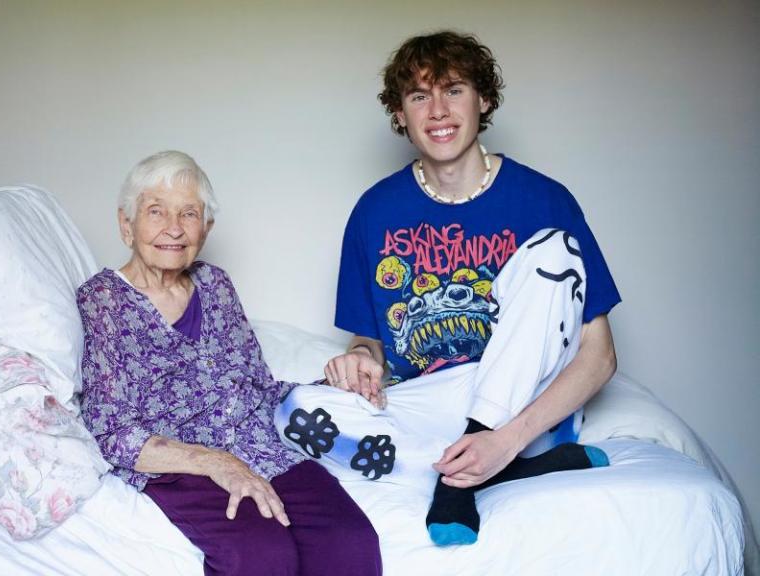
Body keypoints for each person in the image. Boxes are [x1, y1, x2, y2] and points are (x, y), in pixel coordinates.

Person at [276, 31, 620, 546]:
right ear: (400, 114)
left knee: (555, 249)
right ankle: (498, 465)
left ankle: (478, 462)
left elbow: (599, 358)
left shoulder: (544, 199)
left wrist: (506, 439)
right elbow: (369, 340)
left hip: (528, 403)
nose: (437, 110)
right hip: (435, 396)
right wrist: (360, 361)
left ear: (483, 100)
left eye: (453, 89)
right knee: (292, 413)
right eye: (419, 96)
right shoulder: (375, 211)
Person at [77, 150, 382, 576]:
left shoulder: (215, 284)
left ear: (206, 228)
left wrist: (333, 385)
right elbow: (110, 430)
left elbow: (257, 386)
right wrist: (217, 463)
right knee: (262, 555)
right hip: (179, 465)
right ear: (126, 225)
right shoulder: (102, 299)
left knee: (350, 541)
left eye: (189, 214)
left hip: (260, 446)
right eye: (155, 212)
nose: (173, 228)